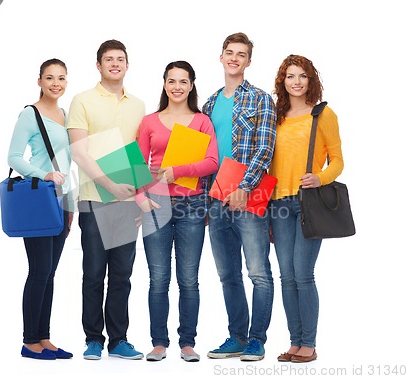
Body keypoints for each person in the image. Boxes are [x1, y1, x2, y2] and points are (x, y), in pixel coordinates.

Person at [67, 39, 145, 360]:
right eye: (108, 59)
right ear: (98, 65)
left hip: (127, 203)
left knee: (122, 275)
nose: (115, 63)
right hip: (93, 199)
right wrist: (110, 185)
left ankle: (119, 339)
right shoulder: (82, 100)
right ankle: (93, 339)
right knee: (94, 272)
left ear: (128, 65)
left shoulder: (138, 105)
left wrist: (140, 197)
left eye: (121, 59)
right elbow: (78, 152)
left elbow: (137, 155)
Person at [136, 61, 219, 363]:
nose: (177, 87)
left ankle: (187, 343)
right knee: (158, 278)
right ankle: (159, 343)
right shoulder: (149, 122)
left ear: (192, 85)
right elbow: (136, 165)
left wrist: (177, 171)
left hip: (192, 204)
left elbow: (212, 162)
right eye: (172, 81)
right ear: (164, 84)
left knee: (188, 279)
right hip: (156, 204)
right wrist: (140, 198)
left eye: (183, 82)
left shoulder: (201, 121)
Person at [202, 32, 277, 361]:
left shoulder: (261, 99)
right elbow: (202, 155)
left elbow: (265, 148)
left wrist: (245, 187)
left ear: (248, 61)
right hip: (215, 200)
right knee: (227, 273)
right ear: (221, 57)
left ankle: (256, 340)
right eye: (229, 52)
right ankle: (236, 336)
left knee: (258, 272)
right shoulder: (209, 102)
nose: (234, 58)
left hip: (248, 197)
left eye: (241, 54)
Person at [269, 54, 344, 363]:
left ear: (311, 80)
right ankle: (294, 341)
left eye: (302, 76)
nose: (296, 81)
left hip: (308, 203)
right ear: (282, 81)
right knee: (286, 275)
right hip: (278, 203)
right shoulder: (275, 115)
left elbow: (337, 159)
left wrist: (321, 177)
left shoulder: (322, 115)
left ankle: (309, 344)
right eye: (290, 76)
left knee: (303, 274)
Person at [7, 58, 73, 360]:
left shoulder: (64, 114)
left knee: (50, 273)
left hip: (63, 200)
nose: (55, 84)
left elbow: (70, 161)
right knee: (39, 270)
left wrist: (70, 202)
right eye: (49, 78)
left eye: (60, 78)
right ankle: (29, 341)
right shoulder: (29, 114)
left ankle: (44, 337)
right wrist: (43, 174)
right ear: (39, 81)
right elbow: (14, 157)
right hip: (40, 199)